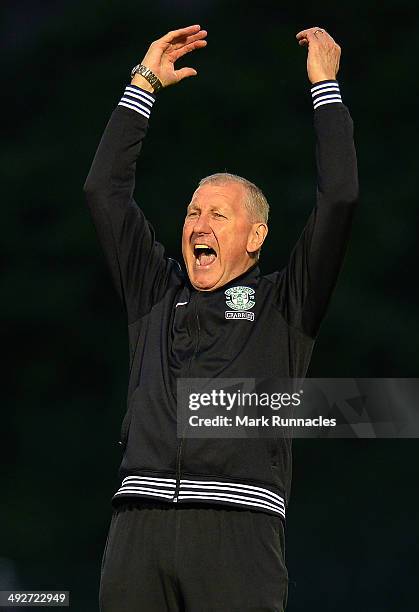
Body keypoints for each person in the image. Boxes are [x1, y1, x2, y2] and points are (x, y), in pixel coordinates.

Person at [84, 23, 358, 612]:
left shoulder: (287, 304)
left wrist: (325, 89)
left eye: (218, 214)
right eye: (191, 212)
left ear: (257, 235)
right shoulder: (155, 292)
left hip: (237, 534)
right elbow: (104, 192)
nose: (198, 224)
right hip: (139, 529)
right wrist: (144, 84)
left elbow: (339, 197)